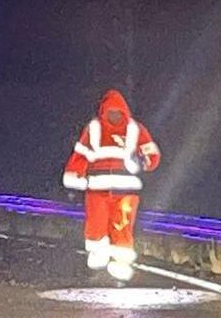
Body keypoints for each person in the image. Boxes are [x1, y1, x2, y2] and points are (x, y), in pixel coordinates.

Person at [61, 89, 161, 281]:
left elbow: (152, 155)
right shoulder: (94, 129)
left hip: (126, 190)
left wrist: (142, 162)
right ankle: (99, 257)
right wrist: (74, 174)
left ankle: (121, 262)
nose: (114, 116)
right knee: (96, 224)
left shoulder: (135, 129)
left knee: (122, 226)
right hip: (98, 188)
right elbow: (80, 155)